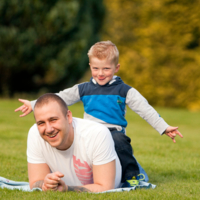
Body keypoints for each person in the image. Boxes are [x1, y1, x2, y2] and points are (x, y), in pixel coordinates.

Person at [16, 41, 183, 187]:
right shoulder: (83, 89)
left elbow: (145, 109)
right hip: (90, 133)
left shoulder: (124, 91)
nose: (100, 73)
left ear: (116, 68)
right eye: (95, 68)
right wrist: (33, 104)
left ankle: (133, 176)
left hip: (113, 132)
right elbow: (59, 98)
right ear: (90, 66)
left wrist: (164, 127)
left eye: (106, 68)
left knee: (120, 142)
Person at [27, 93, 121, 192]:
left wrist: (67, 189)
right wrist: (45, 184)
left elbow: (105, 188)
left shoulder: (97, 134)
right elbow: (35, 182)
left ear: (68, 116)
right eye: (41, 123)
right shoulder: (35, 134)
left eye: (53, 120)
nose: (49, 129)